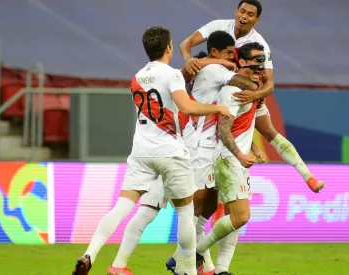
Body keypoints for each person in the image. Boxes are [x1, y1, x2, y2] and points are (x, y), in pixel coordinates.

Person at [71, 26, 231, 275]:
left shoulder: (136, 78)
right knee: (186, 213)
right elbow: (186, 107)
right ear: (168, 48)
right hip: (170, 152)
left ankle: (90, 254)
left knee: (122, 206)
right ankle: (188, 270)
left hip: (141, 152)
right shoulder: (172, 75)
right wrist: (218, 108)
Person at [107, 30, 259, 275]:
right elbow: (247, 84)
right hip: (186, 151)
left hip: (191, 149)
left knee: (204, 208)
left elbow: (193, 67)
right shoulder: (214, 72)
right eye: (229, 53)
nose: (234, 59)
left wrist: (212, 60)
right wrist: (259, 86)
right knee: (171, 209)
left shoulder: (203, 72)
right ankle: (176, 265)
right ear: (214, 52)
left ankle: (201, 266)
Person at [179, 0, 325, 192]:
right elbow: (185, 44)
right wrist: (190, 60)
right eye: (242, 11)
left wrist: (255, 95)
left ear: (257, 20)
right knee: (220, 130)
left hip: (245, 93)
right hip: (223, 89)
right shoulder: (218, 27)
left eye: (249, 14)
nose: (244, 17)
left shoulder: (261, 45)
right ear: (236, 11)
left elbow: (269, 83)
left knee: (269, 131)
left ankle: (308, 177)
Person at [194, 43, 267, 275]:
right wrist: (240, 154)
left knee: (231, 216)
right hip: (228, 158)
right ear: (242, 62)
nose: (260, 66)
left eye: (263, 61)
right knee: (241, 216)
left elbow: (238, 127)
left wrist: (253, 147)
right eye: (256, 61)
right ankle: (194, 252)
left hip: (237, 159)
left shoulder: (252, 90)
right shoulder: (233, 90)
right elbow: (223, 129)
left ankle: (222, 269)